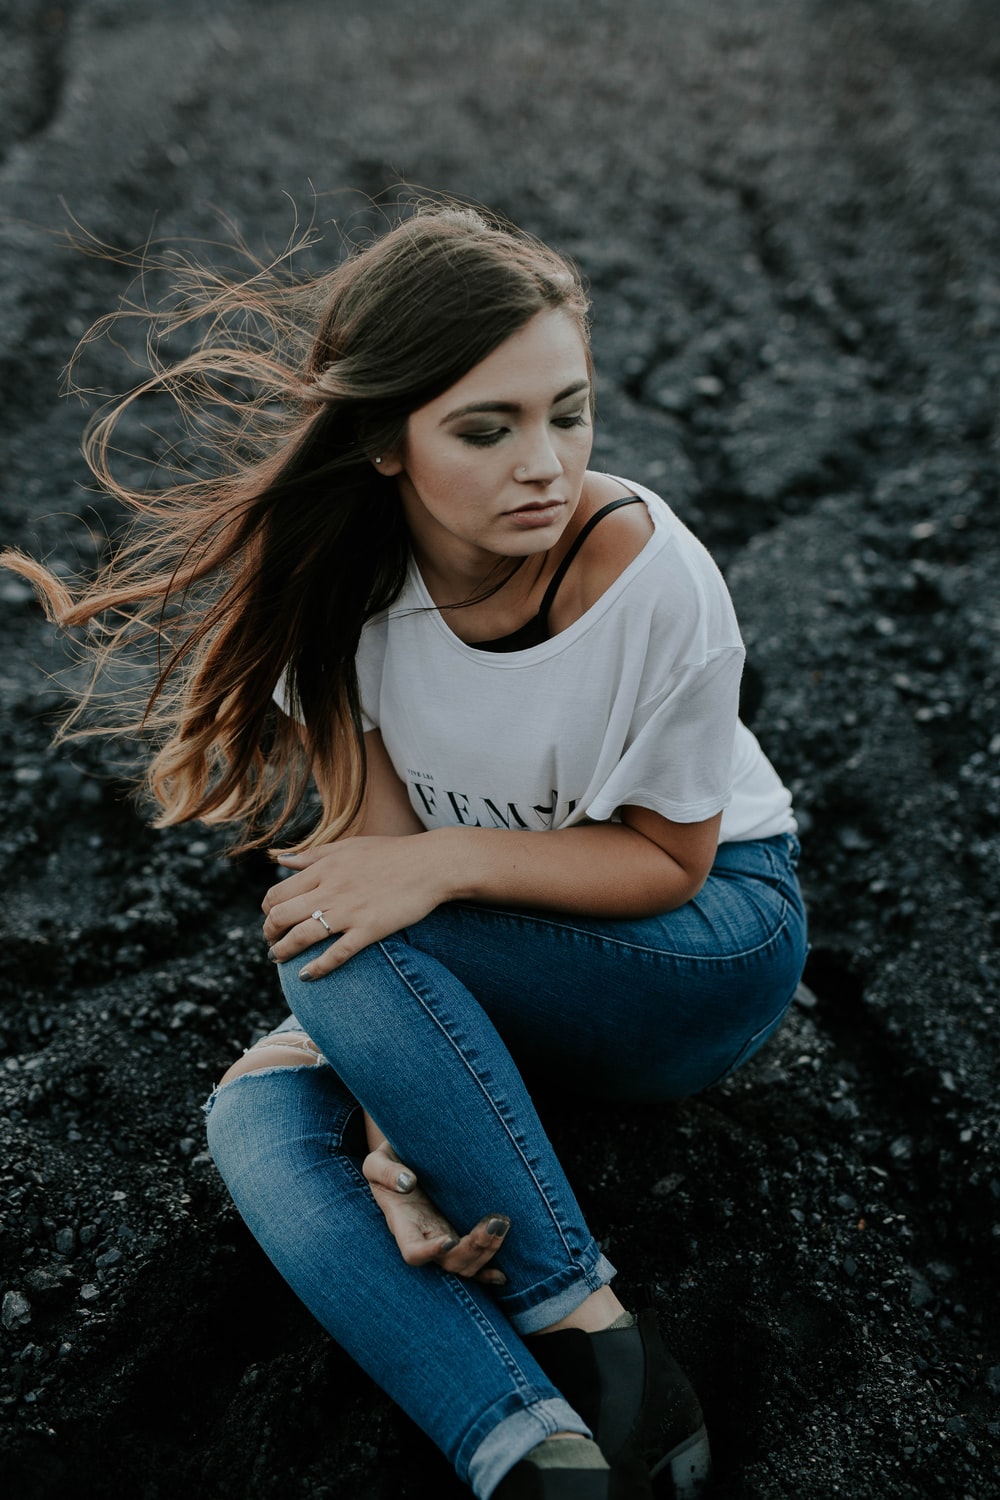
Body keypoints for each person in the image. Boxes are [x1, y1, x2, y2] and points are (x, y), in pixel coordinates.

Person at [3, 201, 807, 1499]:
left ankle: (587, 1327)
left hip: (703, 948)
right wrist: (399, 1145)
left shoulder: (648, 575)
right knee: (259, 1118)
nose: (543, 462)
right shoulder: (337, 593)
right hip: (489, 964)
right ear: (385, 439)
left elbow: (667, 860)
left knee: (330, 923)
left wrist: (439, 869)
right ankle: (524, 1452)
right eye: (487, 429)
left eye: (569, 412)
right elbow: (374, 866)